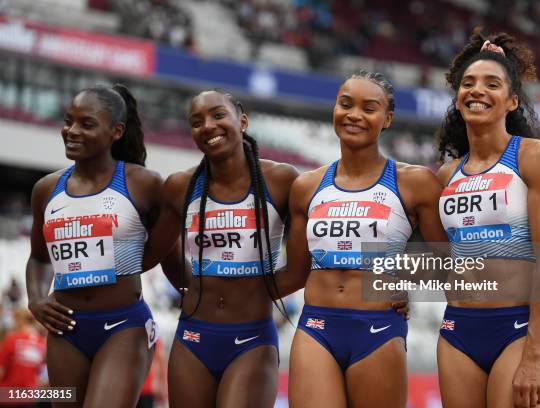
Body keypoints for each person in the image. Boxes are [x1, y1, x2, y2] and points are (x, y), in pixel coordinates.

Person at [284, 70, 447, 408]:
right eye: (345, 104)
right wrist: (220, 290)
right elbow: (293, 274)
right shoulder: (306, 186)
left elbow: (451, 264)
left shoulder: (415, 183)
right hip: (316, 325)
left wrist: (535, 293)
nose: (354, 115)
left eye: (368, 108)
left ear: (386, 118)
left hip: (377, 328)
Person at [435, 30, 540, 408]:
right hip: (457, 330)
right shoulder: (444, 176)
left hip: (519, 330)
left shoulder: (537, 158)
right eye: (468, 83)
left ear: (512, 101)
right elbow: (439, 259)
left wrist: (533, 356)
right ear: (458, 98)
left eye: (492, 84)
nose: (477, 91)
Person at [142, 89, 299, 407]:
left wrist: (261, 290)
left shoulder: (282, 180)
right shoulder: (180, 186)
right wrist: (189, 287)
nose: (208, 126)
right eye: (196, 121)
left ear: (242, 121)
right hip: (193, 337)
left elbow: (306, 263)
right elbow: (153, 253)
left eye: (217, 115)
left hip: (252, 338)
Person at [26, 84, 160, 407]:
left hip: (123, 327)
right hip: (66, 330)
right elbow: (39, 258)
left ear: (116, 131)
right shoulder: (46, 189)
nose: (72, 131)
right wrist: (35, 300)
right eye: (68, 121)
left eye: (86, 124)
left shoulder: (143, 183)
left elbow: (167, 247)